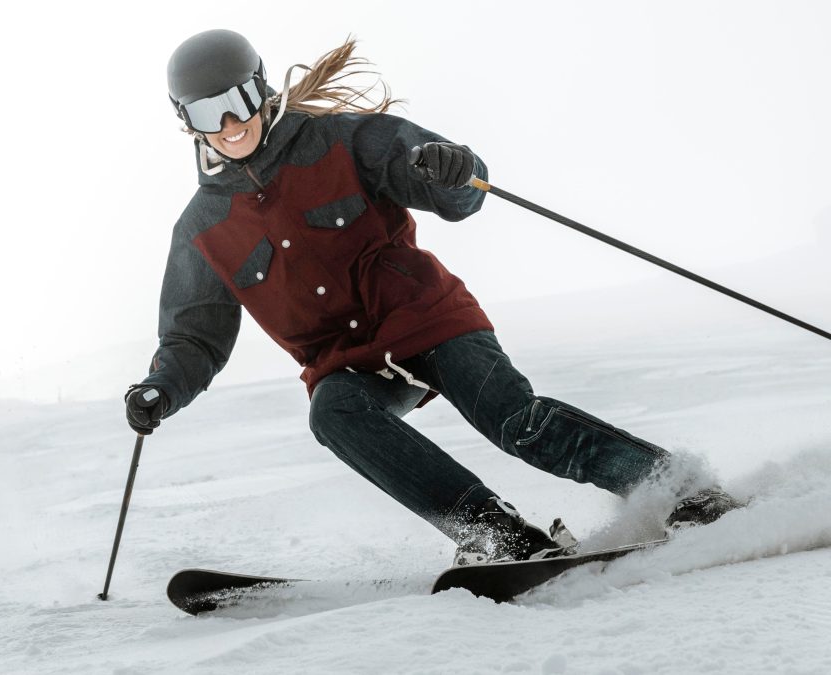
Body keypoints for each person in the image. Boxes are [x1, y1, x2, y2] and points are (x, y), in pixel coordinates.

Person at [125, 29, 742, 565]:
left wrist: (452, 169)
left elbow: (459, 190)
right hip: (347, 362)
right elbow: (193, 339)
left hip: (427, 318)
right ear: (187, 122)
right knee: (333, 412)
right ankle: (500, 537)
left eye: (237, 103)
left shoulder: (341, 141)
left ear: (260, 89)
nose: (231, 126)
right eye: (209, 115)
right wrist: (163, 388)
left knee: (513, 422)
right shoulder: (202, 228)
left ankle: (681, 489)